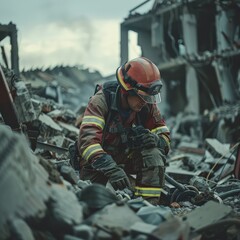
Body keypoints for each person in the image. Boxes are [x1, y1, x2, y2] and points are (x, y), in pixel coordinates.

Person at [77, 57, 170, 205]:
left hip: (126, 157)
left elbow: (164, 137)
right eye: (142, 97)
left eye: (149, 97)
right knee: (90, 199)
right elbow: (87, 143)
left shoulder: (146, 103)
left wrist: (156, 140)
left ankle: (146, 205)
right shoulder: (101, 101)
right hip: (99, 160)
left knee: (153, 153)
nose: (145, 102)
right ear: (127, 90)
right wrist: (111, 169)